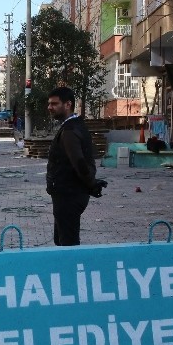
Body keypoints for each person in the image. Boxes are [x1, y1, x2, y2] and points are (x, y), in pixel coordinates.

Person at [45, 87, 106, 246]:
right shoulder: (74, 126)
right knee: (62, 240)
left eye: (54, 104)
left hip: (69, 195)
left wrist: (92, 184)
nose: (50, 107)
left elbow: (79, 162)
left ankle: (71, 270)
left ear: (68, 104)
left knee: (68, 244)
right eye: (49, 104)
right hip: (67, 193)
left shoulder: (70, 130)